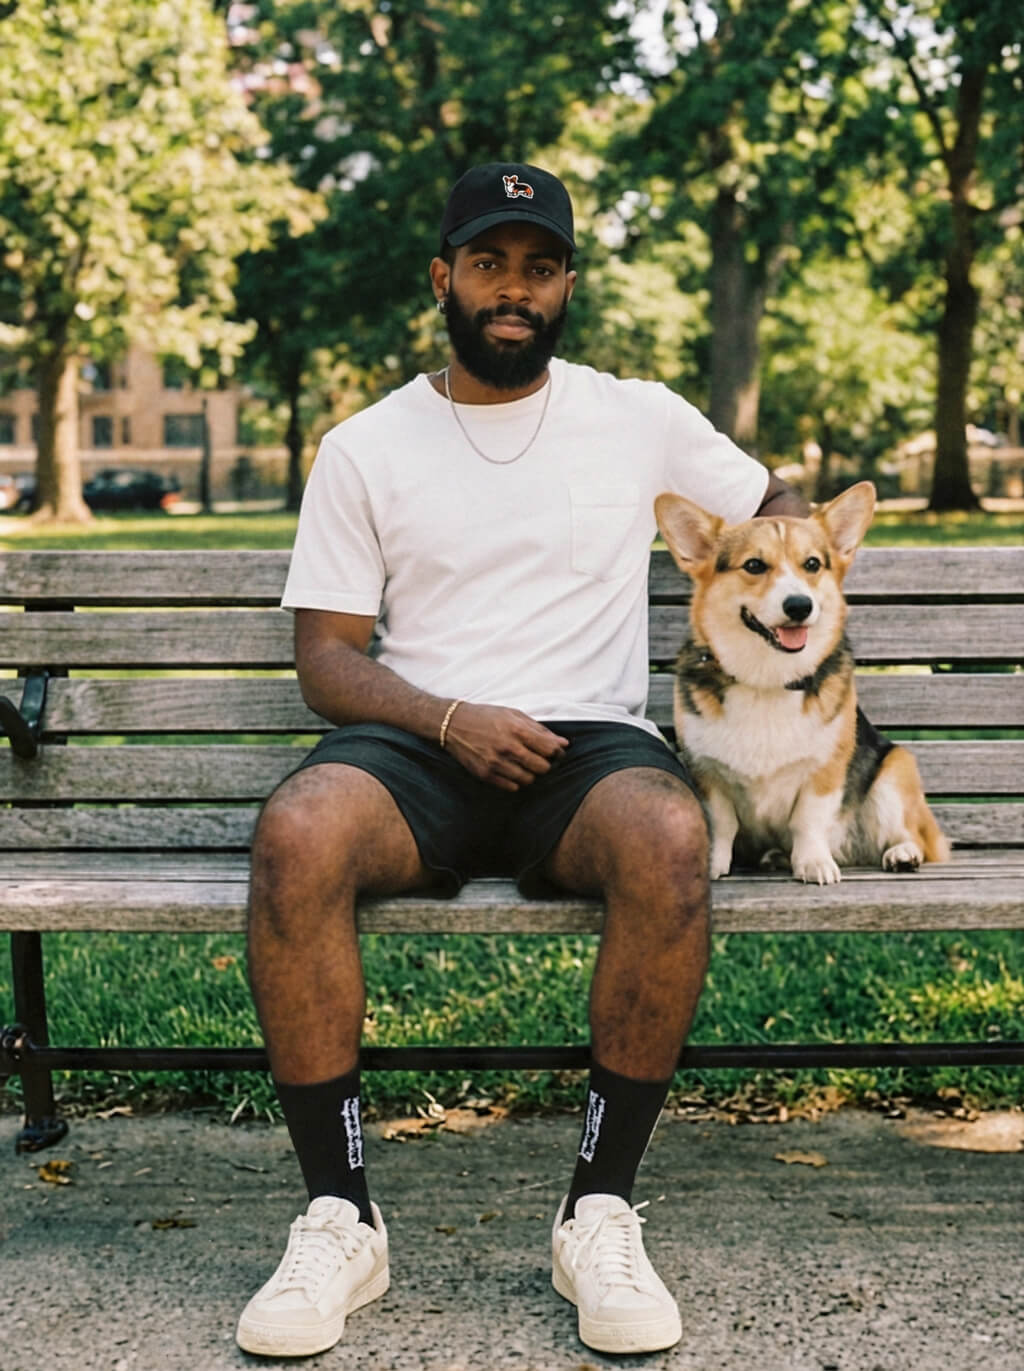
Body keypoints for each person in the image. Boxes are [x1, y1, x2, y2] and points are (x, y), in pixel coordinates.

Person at [236, 161, 807, 1359]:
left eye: (539, 268)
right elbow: (329, 661)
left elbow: (773, 520)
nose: (515, 290)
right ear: (443, 277)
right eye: (490, 264)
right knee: (296, 834)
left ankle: (596, 1210)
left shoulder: (639, 415)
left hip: (586, 748)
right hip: (413, 744)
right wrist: (445, 720)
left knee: (666, 836)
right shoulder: (366, 444)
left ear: (565, 287)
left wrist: (756, 632)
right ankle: (339, 1216)